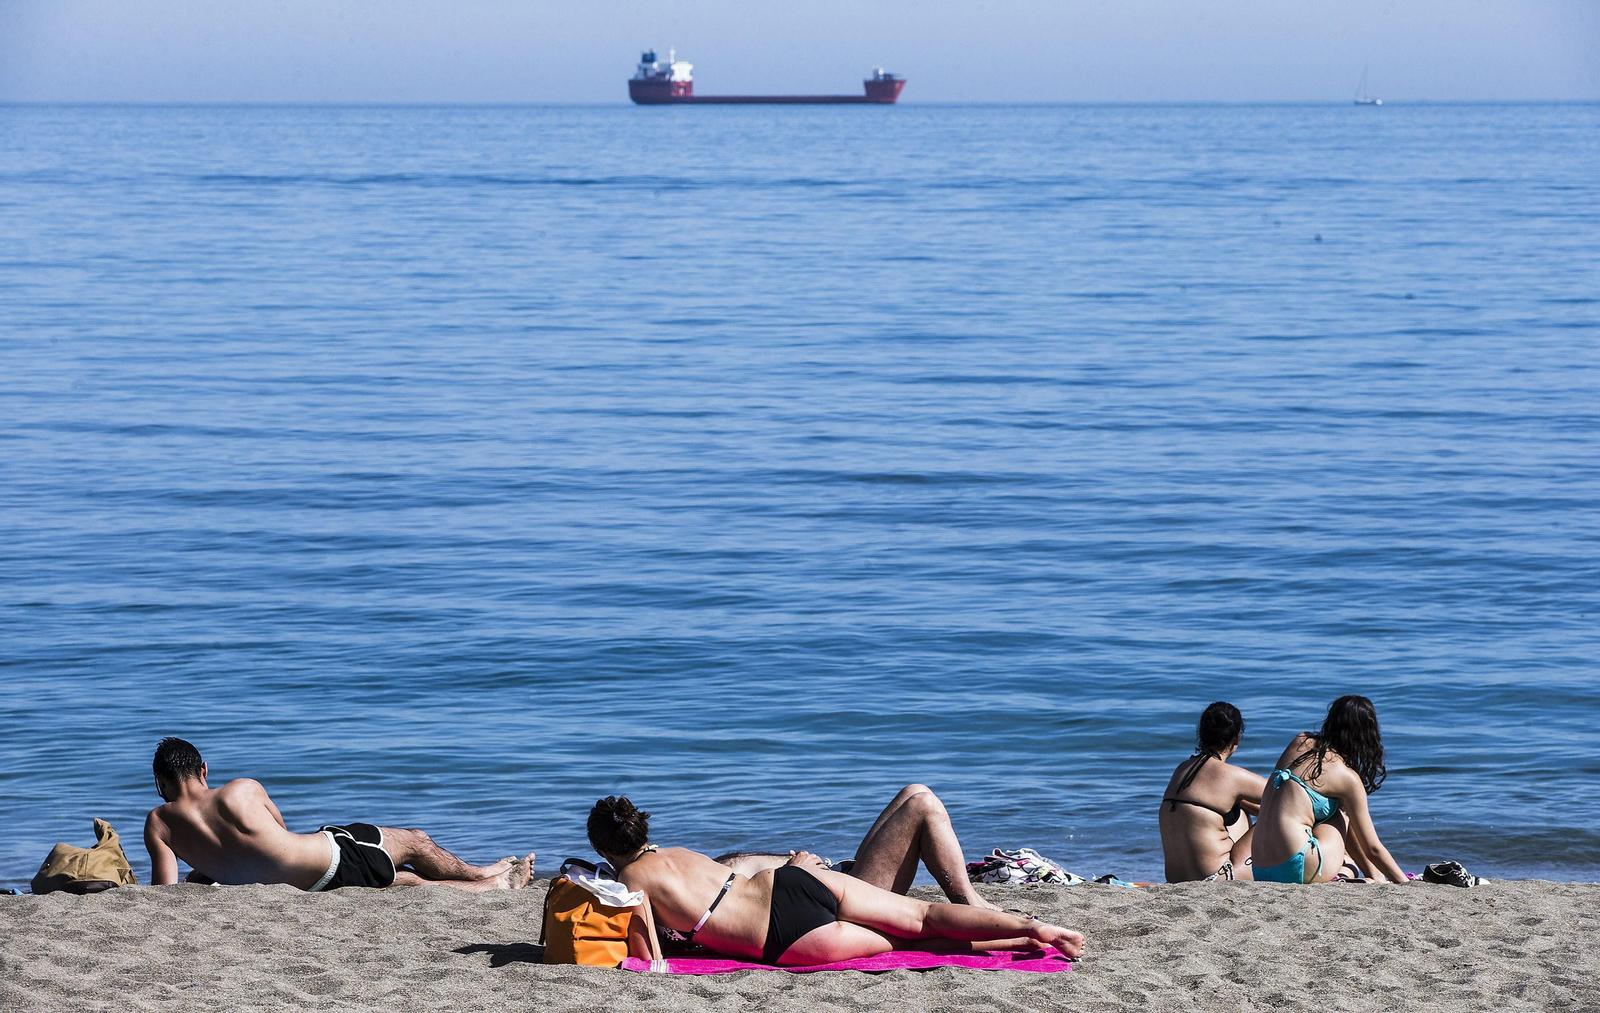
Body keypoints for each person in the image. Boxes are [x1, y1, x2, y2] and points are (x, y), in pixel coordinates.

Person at [587, 795, 1084, 967]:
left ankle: (1023, 936)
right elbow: (743, 872)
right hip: (789, 884)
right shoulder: (678, 852)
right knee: (922, 915)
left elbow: (647, 948)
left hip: (782, 936)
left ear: (602, 850)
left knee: (916, 942)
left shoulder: (631, 881)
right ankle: (1032, 927)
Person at [143, 737, 533, 892]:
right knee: (415, 841)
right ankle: (485, 875)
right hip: (331, 858)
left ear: (161, 782)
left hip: (305, 889)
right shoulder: (241, 789)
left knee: (406, 884)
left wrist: (208, 867)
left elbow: (166, 892)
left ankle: (493, 884)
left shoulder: (158, 823)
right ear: (204, 770)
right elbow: (278, 834)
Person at [713, 784, 1000, 909]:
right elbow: (764, 908)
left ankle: (971, 897)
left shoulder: (709, 875)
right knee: (923, 807)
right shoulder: (714, 898)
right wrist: (795, 872)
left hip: (839, 877)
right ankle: (968, 901)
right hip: (845, 900)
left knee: (915, 791)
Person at [1250, 696, 1408, 884]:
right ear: (1368, 735)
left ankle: (1371, 876)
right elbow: (1372, 848)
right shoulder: (1346, 777)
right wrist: (1404, 883)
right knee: (1342, 811)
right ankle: (1376, 877)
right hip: (1295, 867)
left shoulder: (1300, 741)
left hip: (1260, 868)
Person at [1158, 702, 1266, 882]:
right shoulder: (1232, 777)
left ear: (1201, 734)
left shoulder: (1182, 769)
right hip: (1217, 878)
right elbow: (1290, 795)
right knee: (1278, 811)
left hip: (1175, 881)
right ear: (1237, 738)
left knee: (1236, 803)